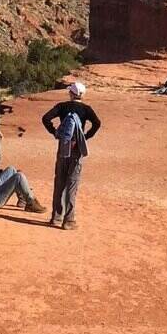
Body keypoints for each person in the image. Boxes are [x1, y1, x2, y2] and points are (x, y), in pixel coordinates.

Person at [42, 82, 100, 231]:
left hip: (63, 146)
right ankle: (69, 220)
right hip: (77, 148)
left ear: (71, 94)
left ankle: (56, 217)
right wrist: (85, 137)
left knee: (60, 180)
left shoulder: (62, 106)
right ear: (82, 95)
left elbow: (45, 118)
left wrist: (54, 132)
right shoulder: (86, 109)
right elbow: (97, 123)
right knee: (72, 183)